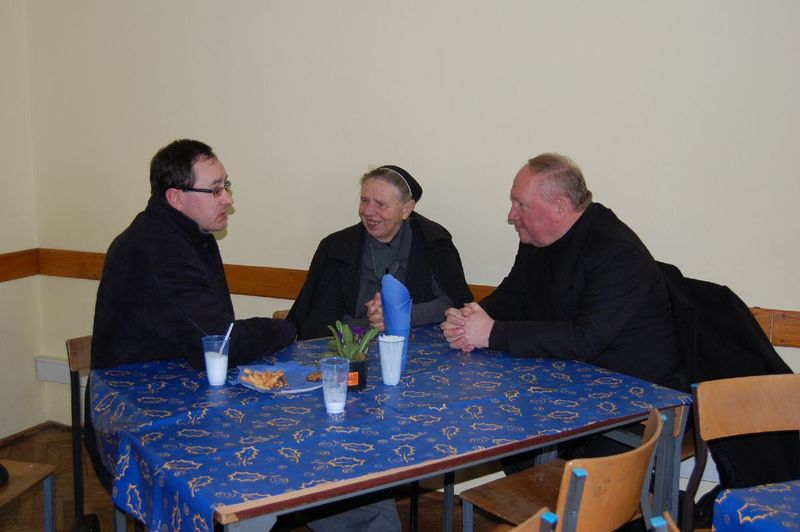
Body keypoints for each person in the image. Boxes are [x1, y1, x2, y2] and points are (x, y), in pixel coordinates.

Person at [86, 139, 296, 492]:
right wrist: (286, 329)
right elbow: (218, 343)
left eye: (226, 185)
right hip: (137, 422)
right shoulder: (160, 250)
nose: (228, 199)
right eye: (215, 190)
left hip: (173, 393)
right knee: (262, 461)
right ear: (176, 197)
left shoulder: (183, 232)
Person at [441, 153, 687, 392]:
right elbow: (515, 295)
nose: (511, 215)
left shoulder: (617, 253)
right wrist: (470, 318)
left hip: (636, 393)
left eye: (521, 205)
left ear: (560, 206)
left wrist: (491, 333)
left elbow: (585, 339)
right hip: (570, 378)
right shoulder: (537, 239)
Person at [288, 164, 473, 340]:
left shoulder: (433, 243)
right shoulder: (336, 248)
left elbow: (454, 304)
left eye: (380, 204)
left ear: (407, 209)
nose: (368, 211)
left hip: (416, 347)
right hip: (348, 347)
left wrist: (400, 314)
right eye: (364, 200)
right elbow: (319, 317)